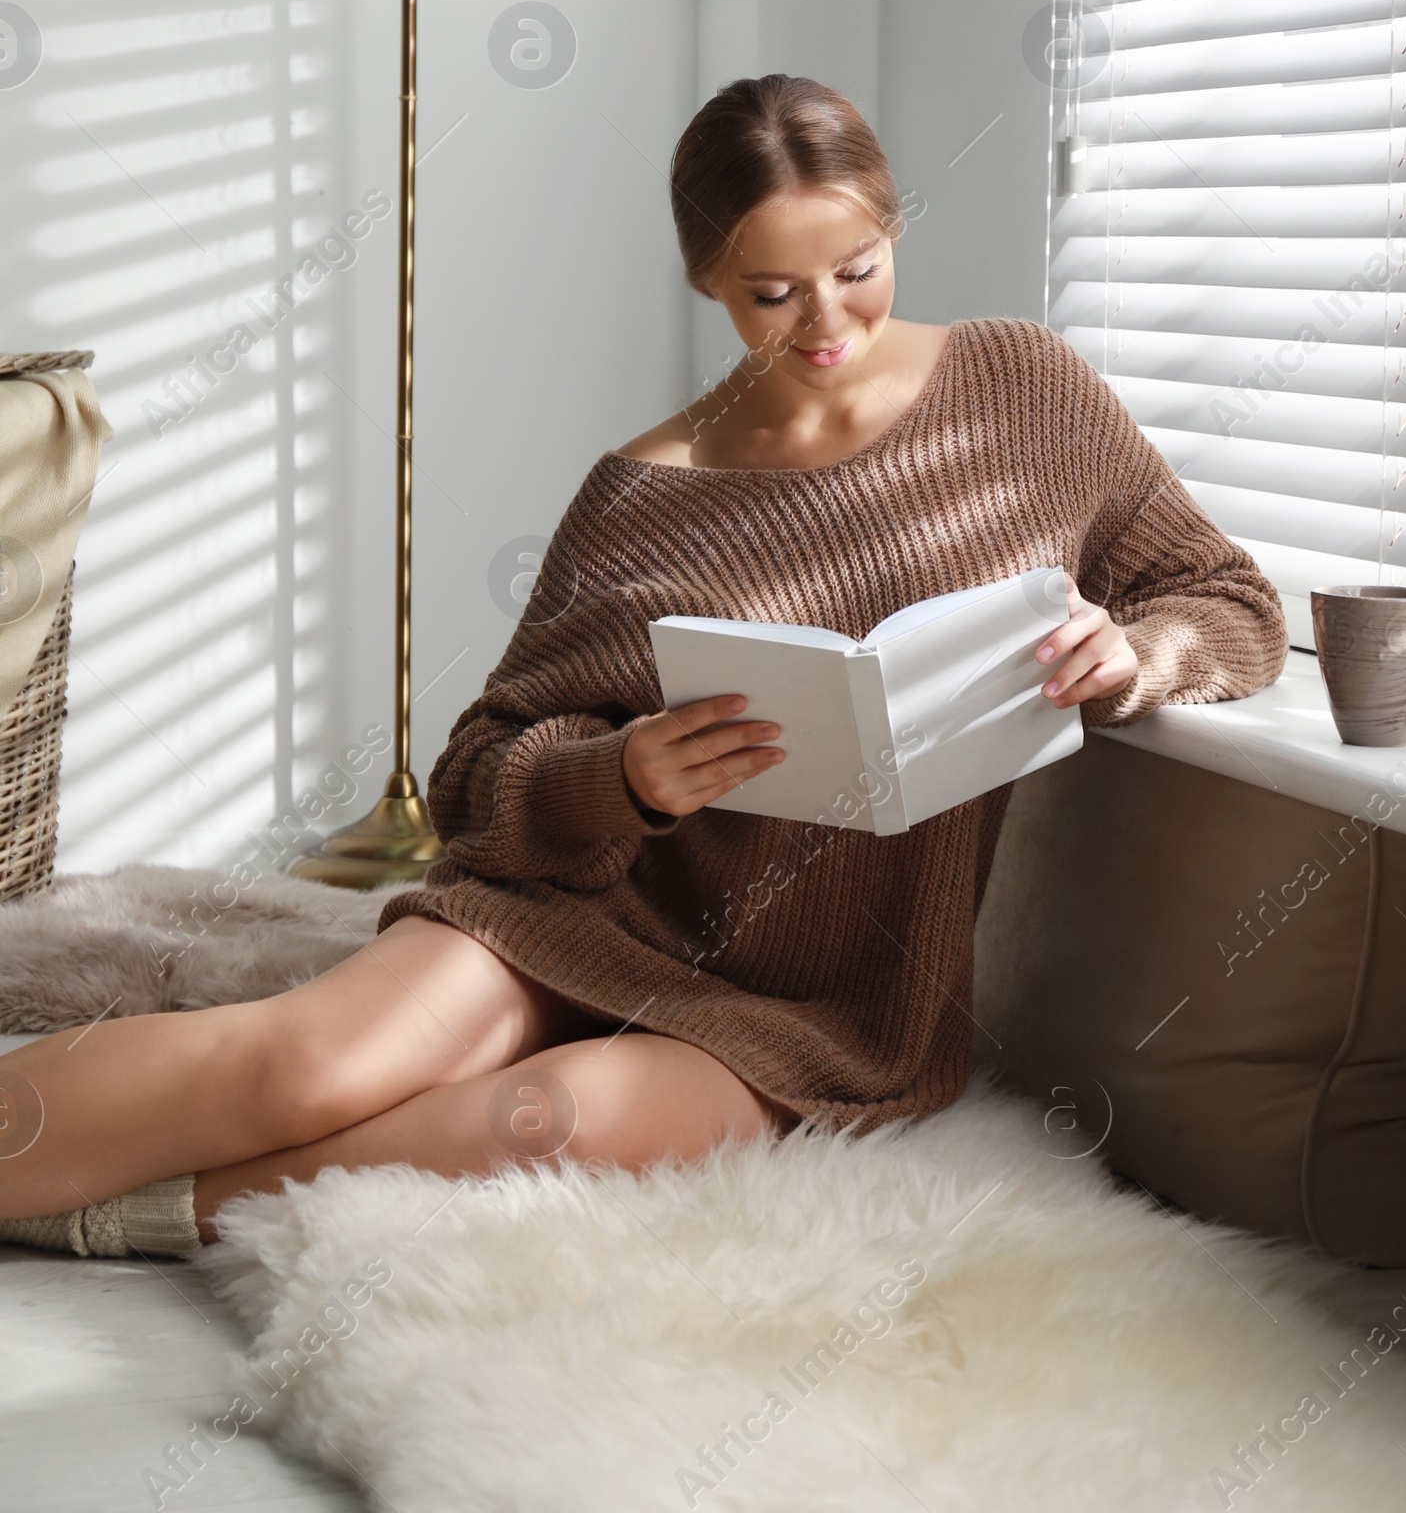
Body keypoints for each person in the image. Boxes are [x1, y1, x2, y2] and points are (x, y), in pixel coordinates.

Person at [0, 74, 1285, 1260]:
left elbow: (1229, 602)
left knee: (541, 1120)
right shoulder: (645, 492)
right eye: (771, 293)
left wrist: (1131, 656)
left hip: (818, 1002)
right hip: (568, 915)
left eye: (857, 268)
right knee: (303, 1063)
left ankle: (140, 1216)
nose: (825, 320)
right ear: (705, 280)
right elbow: (473, 778)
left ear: (892, 226)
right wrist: (621, 779)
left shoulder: (1027, 393)